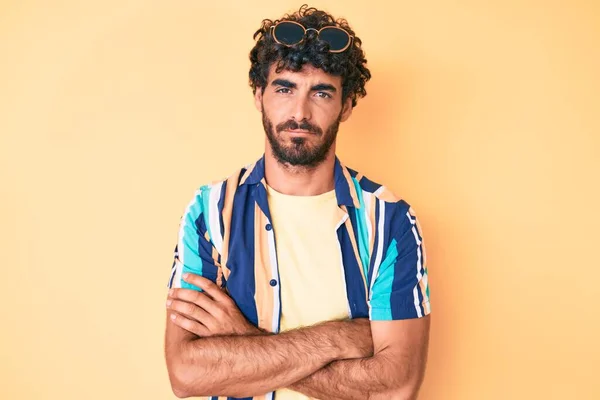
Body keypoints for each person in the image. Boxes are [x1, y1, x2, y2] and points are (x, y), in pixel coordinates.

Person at [164, 4, 431, 400]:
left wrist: (241, 341)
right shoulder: (211, 212)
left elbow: (397, 388)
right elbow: (186, 374)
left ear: (347, 105)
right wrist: (340, 338)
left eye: (321, 92)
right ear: (259, 95)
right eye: (285, 88)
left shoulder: (389, 221)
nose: (300, 113)